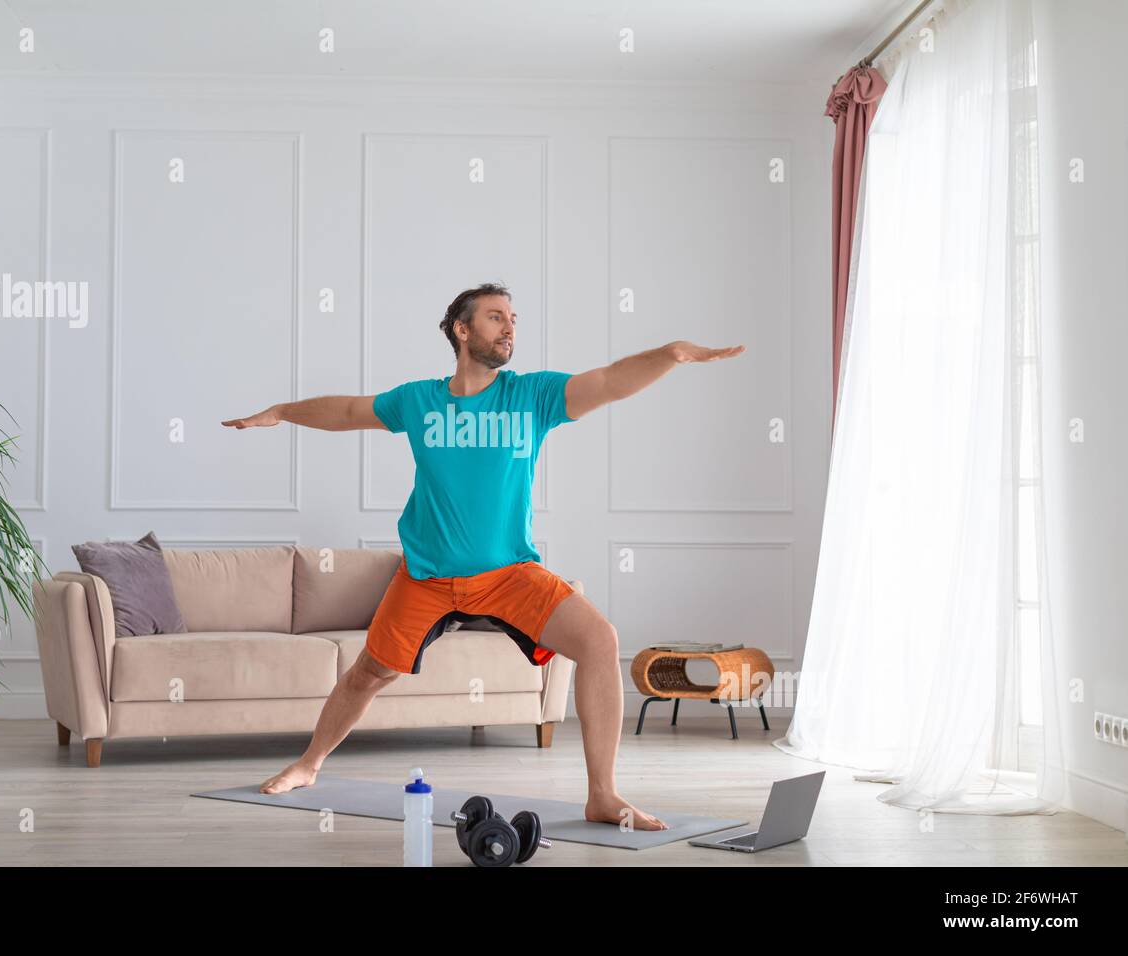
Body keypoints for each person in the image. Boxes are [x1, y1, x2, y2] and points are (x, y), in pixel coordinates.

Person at [222, 283, 745, 830]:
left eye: (513, 318)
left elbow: (611, 381)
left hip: (509, 575)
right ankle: (309, 764)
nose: (510, 328)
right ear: (462, 330)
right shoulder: (419, 401)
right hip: (426, 577)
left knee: (599, 640)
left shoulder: (533, 397)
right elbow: (349, 410)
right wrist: (282, 411)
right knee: (368, 674)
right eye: (496, 317)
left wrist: (670, 355)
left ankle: (602, 794)